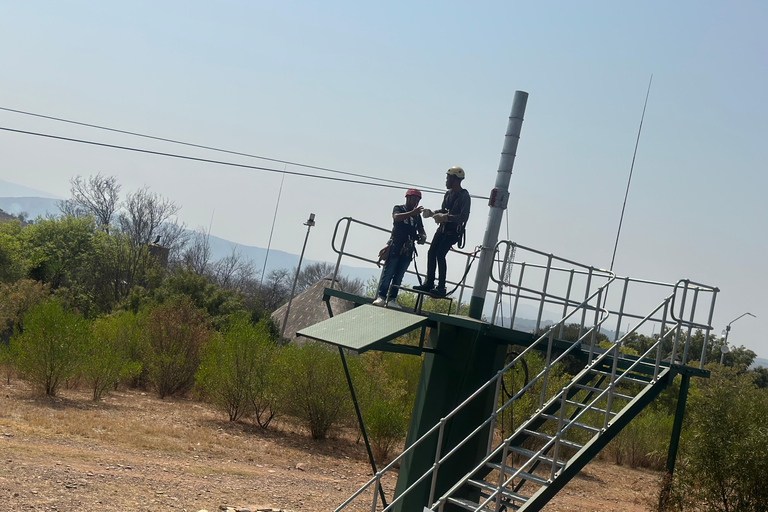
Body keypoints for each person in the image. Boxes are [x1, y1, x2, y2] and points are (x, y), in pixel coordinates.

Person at [413, 166, 470, 297]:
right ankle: (429, 283)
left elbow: (463, 217)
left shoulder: (464, 196)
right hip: (443, 228)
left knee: (440, 254)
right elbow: (444, 210)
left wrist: (446, 218)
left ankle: (441, 287)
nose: (446, 180)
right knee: (432, 252)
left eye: (448, 178)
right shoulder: (449, 194)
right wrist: (432, 213)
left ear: (454, 179)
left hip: (453, 231)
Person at [373, 189, 427, 308]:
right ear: (408, 198)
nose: (416, 202)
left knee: (399, 275)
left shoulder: (417, 216)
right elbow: (396, 218)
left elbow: (421, 229)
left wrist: (423, 236)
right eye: (414, 199)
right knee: (389, 272)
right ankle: (381, 297)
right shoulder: (399, 208)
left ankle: (391, 299)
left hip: (408, 249)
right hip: (396, 246)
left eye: (418, 200)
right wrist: (412, 213)